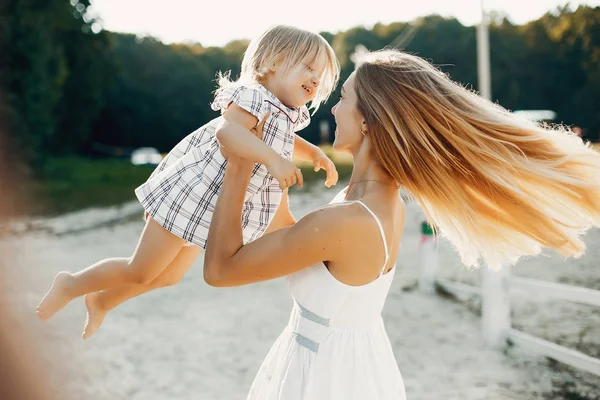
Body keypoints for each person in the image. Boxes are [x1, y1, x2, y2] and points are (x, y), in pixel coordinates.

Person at [203, 49, 600, 399]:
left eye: (343, 99)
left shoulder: (345, 220)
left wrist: (238, 163)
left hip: (326, 376)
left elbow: (221, 270)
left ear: (368, 122)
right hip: (353, 366)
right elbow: (290, 239)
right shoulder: (374, 202)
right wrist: (264, 154)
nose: (334, 109)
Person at [35, 25, 341, 340]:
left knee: (167, 276)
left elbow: (286, 138)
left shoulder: (285, 112)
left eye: (320, 74)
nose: (315, 78)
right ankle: (70, 284)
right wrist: (273, 159)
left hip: (210, 207)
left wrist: (315, 153)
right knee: (140, 269)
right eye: (308, 67)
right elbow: (228, 133)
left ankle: (100, 301)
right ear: (275, 60)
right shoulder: (253, 96)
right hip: (191, 195)